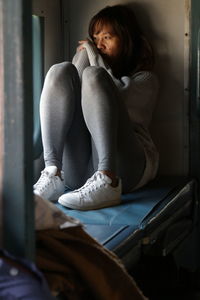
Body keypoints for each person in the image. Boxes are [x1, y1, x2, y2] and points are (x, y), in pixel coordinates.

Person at [34, 4, 159, 210]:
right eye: (95, 38)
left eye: (107, 38)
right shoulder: (95, 59)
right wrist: (84, 56)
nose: (99, 44)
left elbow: (111, 99)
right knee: (60, 70)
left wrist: (92, 54)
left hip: (126, 169)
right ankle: (52, 172)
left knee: (93, 75)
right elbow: (75, 95)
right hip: (81, 173)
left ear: (126, 39)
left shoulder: (146, 79)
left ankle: (108, 179)